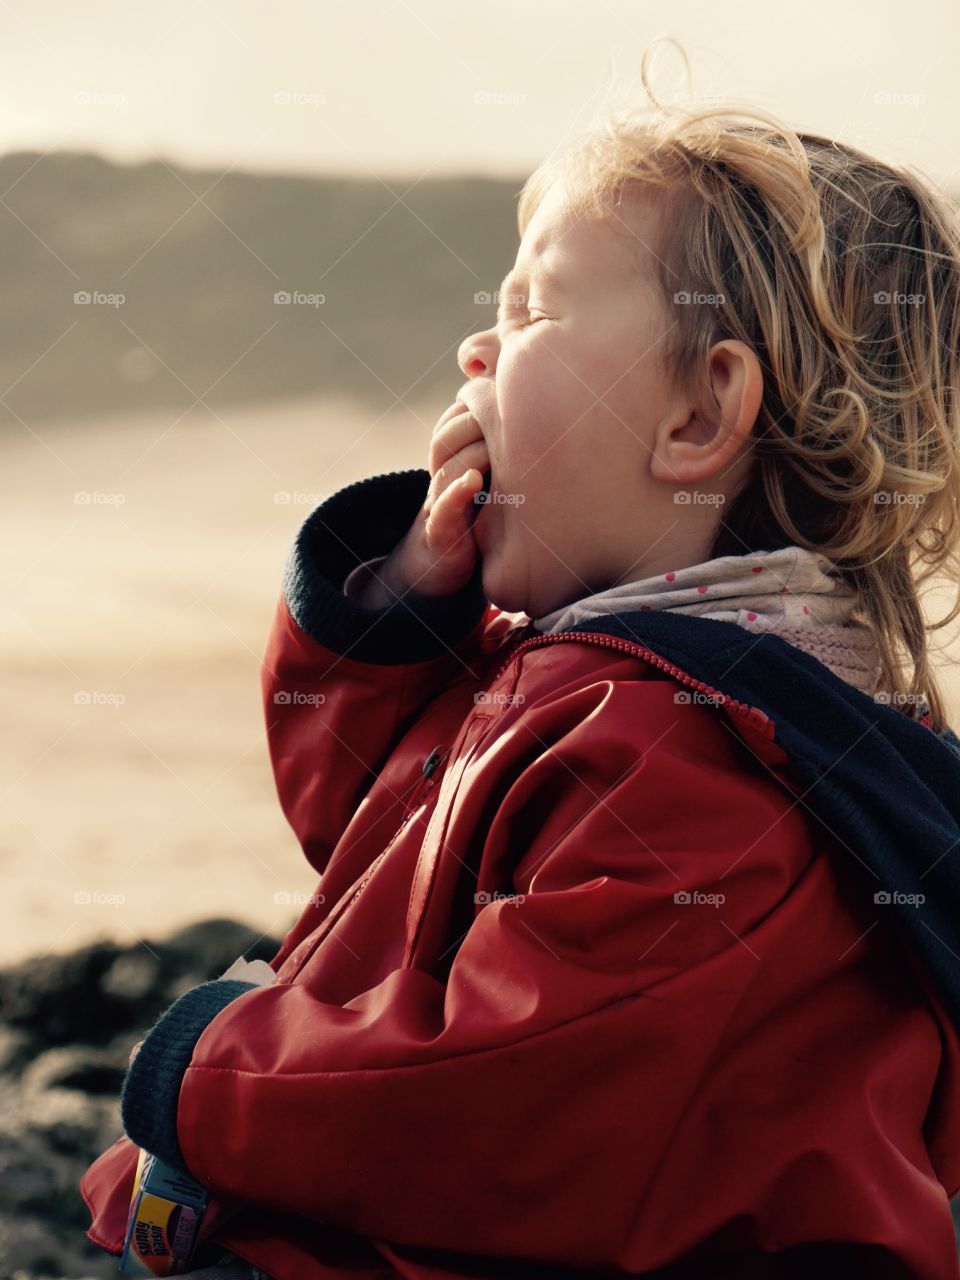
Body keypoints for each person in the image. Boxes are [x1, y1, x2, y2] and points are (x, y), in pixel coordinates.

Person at [81, 63, 960, 1280]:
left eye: (534, 310)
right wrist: (400, 612)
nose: (475, 344)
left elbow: (489, 1090)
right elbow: (378, 846)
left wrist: (212, 1065)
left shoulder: (700, 760)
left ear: (699, 422)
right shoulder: (604, 679)